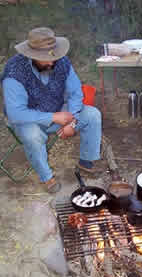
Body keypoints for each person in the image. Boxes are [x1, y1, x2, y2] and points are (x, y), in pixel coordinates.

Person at [1, 27, 101, 193]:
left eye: (53, 57)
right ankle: (47, 177)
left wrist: (73, 121)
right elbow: (16, 113)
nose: (51, 62)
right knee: (32, 135)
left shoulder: (61, 61)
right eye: (44, 59)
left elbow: (76, 92)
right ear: (31, 56)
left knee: (93, 115)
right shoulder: (14, 72)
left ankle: (86, 162)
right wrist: (53, 117)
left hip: (58, 110)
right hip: (27, 119)